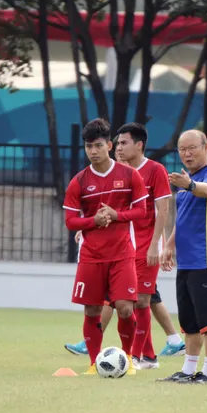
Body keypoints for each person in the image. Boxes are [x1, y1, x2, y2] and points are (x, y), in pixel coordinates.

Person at [64, 126, 186, 366]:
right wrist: (88, 224)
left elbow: (159, 210)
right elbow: (82, 214)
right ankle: (154, 350)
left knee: (138, 300)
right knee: (131, 300)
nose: (119, 147)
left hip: (138, 246)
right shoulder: (86, 179)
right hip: (106, 250)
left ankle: (139, 355)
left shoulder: (151, 171)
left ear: (138, 144)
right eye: (117, 143)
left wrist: (158, 245)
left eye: (122, 143)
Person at [62, 118, 148, 376]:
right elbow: (70, 221)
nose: (93, 151)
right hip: (90, 255)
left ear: (109, 145)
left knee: (124, 307)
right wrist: (93, 221)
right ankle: (93, 363)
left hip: (122, 253)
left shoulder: (130, 175)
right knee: (92, 309)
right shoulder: (79, 181)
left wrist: (117, 215)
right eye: (89, 146)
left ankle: (129, 359)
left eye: (98, 145)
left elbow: (142, 211)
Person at [158, 130, 207, 384]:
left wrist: (188, 184)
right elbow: (183, 218)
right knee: (189, 322)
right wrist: (169, 244)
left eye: (192, 148)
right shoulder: (187, 182)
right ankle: (188, 370)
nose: (187, 153)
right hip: (187, 261)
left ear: (206, 146)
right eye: (182, 149)